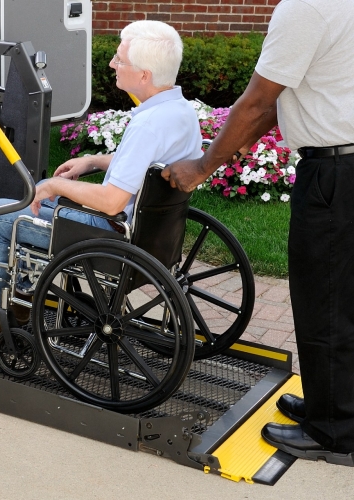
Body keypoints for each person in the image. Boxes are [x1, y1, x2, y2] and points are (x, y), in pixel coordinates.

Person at [162, 0, 354, 466]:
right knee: (343, 296)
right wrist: (239, 137)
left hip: (335, 172)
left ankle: (333, 433)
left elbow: (259, 99)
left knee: (324, 299)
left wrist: (204, 166)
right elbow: (290, 93)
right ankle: (335, 406)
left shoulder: (305, 7)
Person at [0, 20, 202, 342]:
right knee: (41, 204)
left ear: (144, 75)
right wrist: (92, 161)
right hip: (150, 233)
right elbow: (149, 164)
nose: (113, 64)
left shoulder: (148, 124)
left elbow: (112, 201)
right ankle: (20, 301)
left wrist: (54, 186)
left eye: (120, 59)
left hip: (110, 232)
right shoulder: (180, 111)